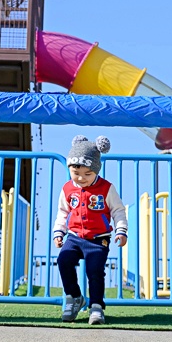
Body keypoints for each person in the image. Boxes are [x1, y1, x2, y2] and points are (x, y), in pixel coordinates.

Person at [52, 135, 128, 325]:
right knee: (64, 260)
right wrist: (59, 232)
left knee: (95, 271)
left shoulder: (106, 188)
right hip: (74, 236)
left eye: (88, 174)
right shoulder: (68, 189)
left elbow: (118, 210)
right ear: (70, 168)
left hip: (98, 238)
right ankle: (74, 297)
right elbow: (62, 211)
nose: (81, 178)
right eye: (76, 173)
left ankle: (96, 306)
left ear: (96, 170)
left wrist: (121, 230)